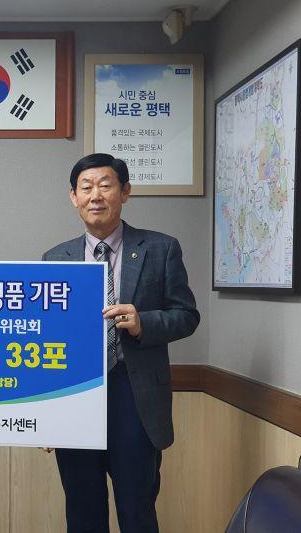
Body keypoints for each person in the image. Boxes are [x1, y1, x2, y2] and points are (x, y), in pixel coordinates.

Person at [42, 154, 199, 533]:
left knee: (137, 509)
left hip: (134, 394)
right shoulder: (55, 258)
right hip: (75, 396)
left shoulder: (160, 248)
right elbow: (45, 338)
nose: (95, 195)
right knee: (82, 509)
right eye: (86, 187)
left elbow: (187, 315)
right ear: (73, 197)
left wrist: (143, 322)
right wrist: (47, 414)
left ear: (124, 192)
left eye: (105, 185)